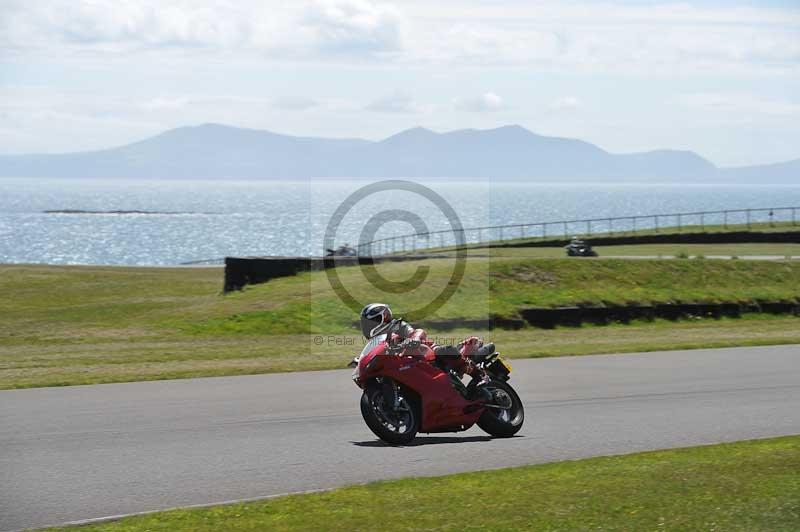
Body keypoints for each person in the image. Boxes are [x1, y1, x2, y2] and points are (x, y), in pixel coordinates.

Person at [359, 303, 490, 390]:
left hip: (426, 353)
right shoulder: (375, 342)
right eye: (366, 324)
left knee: (444, 351)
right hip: (402, 365)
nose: (368, 327)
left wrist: (415, 338)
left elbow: (417, 331)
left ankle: (479, 374)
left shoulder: (397, 326)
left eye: (371, 323)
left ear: (384, 317)